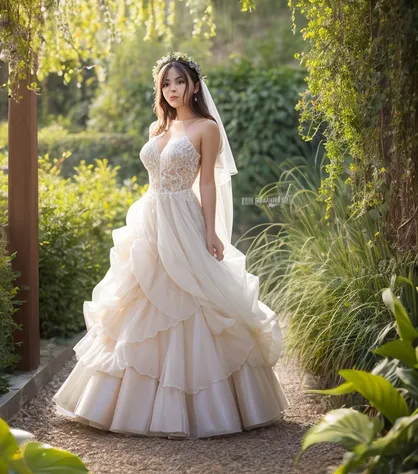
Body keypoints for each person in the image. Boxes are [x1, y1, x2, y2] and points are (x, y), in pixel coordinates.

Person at [52, 52, 289, 440]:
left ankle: (209, 408)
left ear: (194, 85)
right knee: (140, 299)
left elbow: (208, 183)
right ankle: (121, 405)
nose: (173, 89)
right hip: (150, 219)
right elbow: (153, 179)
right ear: (160, 89)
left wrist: (211, 233)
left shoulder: (205, 128)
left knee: (191, 300)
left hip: (184, 218)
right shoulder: (155, 129)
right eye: (166, 83)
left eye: (179, 82)